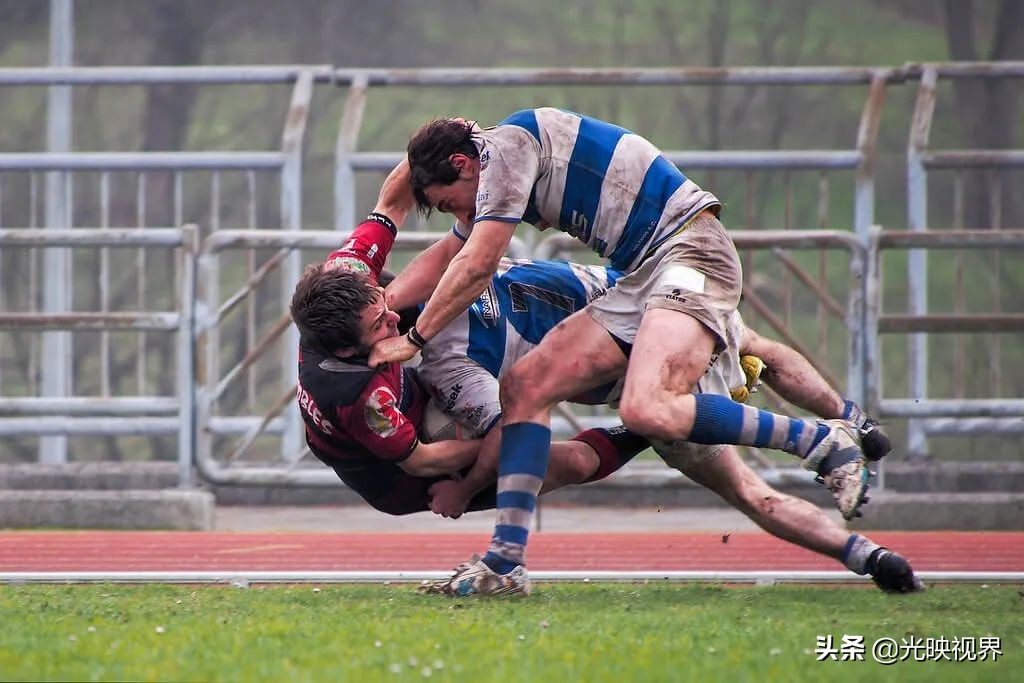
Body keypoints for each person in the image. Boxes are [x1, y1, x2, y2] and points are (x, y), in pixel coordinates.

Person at [370, 109, 878, 595]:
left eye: (449, 203)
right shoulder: (495, 166)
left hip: (689, 252)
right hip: (641, 280)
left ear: (463, 164)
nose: (458, 214)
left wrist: (410, 339)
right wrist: (377, 304)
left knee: (653, 405)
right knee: (528, 386)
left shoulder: (502, 152)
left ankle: (828, 438)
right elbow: (452, 254)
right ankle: (505, 564)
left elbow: (476, 262)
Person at [405, 256, 919, 595]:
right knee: (757, 348)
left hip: (636, 355)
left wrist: (465, 487)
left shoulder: (445, 363)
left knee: (744, 489)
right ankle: (853, 425)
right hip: (657, 304)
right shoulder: (466, 267)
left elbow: (506, 435)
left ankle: (843, 495)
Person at [289, 161, 646, 517]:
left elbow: (391, 204)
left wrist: (430, 151)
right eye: (380, 325)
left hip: (410, 394)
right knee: (562, 461)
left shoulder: (347, 271)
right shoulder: (362, 398)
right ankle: (650, 429)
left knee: (504, 418)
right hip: (400, 472)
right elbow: (421, 461)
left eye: (384, 305)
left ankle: (658, 416)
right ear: (348, 349)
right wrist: (466, 486)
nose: (393, 318)